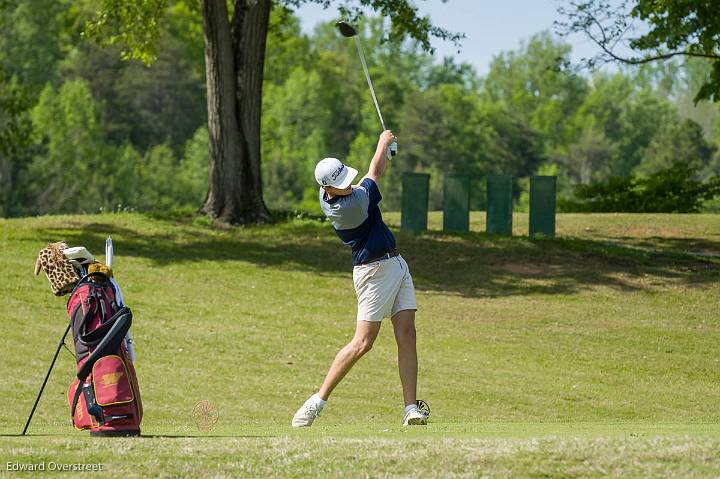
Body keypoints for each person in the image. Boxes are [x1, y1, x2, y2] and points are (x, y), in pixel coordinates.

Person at [291, 130, 428, 427]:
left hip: (396, 264)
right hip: (374, 271)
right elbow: (374, 172)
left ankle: (410, 409)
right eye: (340, 185)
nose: (347, 186)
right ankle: (317, 401)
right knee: (363, 342)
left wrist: (385, 154)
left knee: (407, 334)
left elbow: (371, 174)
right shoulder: (351, 206)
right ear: (329, 190)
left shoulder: (332, 192)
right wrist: (383, 142)